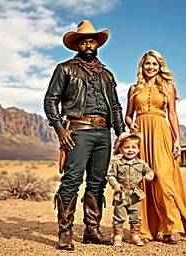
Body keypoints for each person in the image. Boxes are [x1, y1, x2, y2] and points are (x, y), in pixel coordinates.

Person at [44, 20, 125, 250]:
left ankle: (92, 230)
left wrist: (121, 134)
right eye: (84, 42)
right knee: (71, 181)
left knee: (97, 182)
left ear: (97, 44)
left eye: (92, 41)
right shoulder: (65, 68)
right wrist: (60, 130)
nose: (88, 45)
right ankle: (65, 233)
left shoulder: (107, 75)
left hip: (104, 133)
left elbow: (116, 107)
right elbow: (51, 101)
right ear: (77, 45)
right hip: (78, 131)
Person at [125, 50, 186, 244]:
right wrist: (131, 124)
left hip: (161, 133)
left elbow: (172, 114)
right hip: (140, 136)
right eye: (147, 63)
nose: (151, 67)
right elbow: (128, 115)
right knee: (142, 181)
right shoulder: (133, 89)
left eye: (154, 64)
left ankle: (172, 227)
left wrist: (177, 140)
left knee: (163, 178)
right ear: (142, 66)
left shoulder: (168, 87)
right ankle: (143, 230)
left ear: (160, 66)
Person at [106, 132, 154, 247]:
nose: (130, 150)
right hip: (121, 194)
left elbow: (149, 171)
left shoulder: (141, 163)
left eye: (133, 147)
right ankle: (117, 235)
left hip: (135, 194)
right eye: (127, 147)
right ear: (121, 149)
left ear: (138, 150)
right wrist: (115, 184)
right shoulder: (117, 163)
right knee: (119, 216)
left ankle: (135, 235)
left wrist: (149, 176)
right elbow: (110, 175)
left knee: (136, 216)